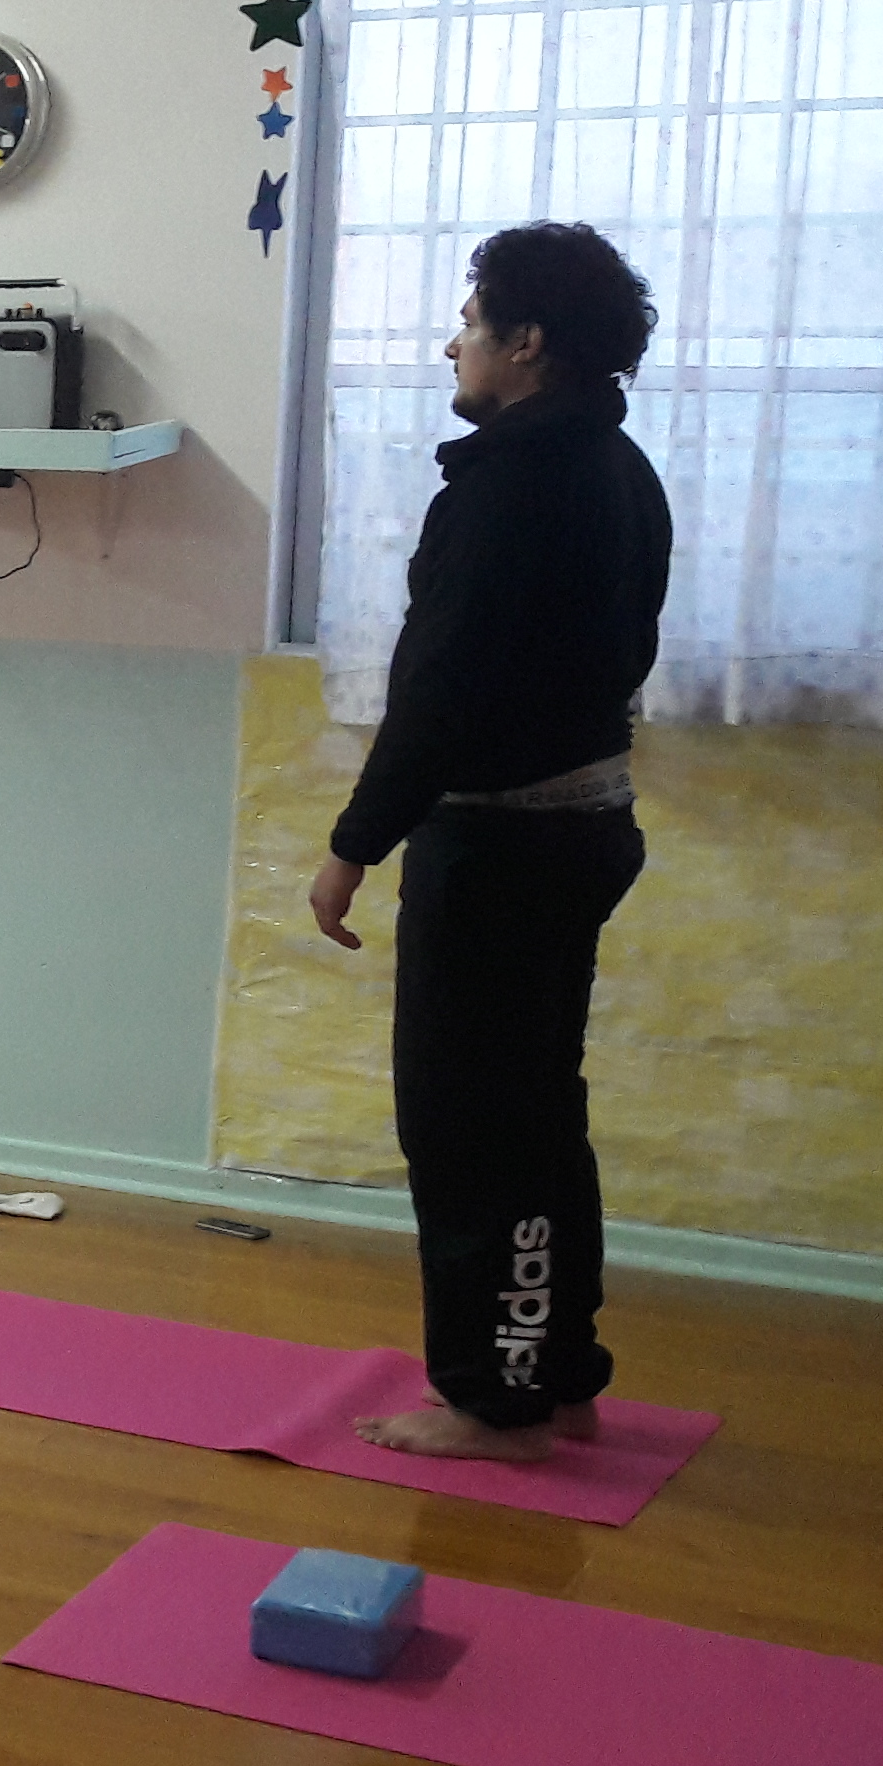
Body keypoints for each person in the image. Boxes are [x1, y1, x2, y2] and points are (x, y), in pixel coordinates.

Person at [308, 222, 672, 1464]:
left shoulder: (512, 486)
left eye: (471, 322)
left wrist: (355, 844)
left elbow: (441, 691)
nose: (452, 343)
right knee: (537, 1118)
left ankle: (493, 1402)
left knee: (468, 1130)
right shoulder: (617, 466)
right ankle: (557, 1379)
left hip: (507, 851)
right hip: (584, 828)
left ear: (528, 343)